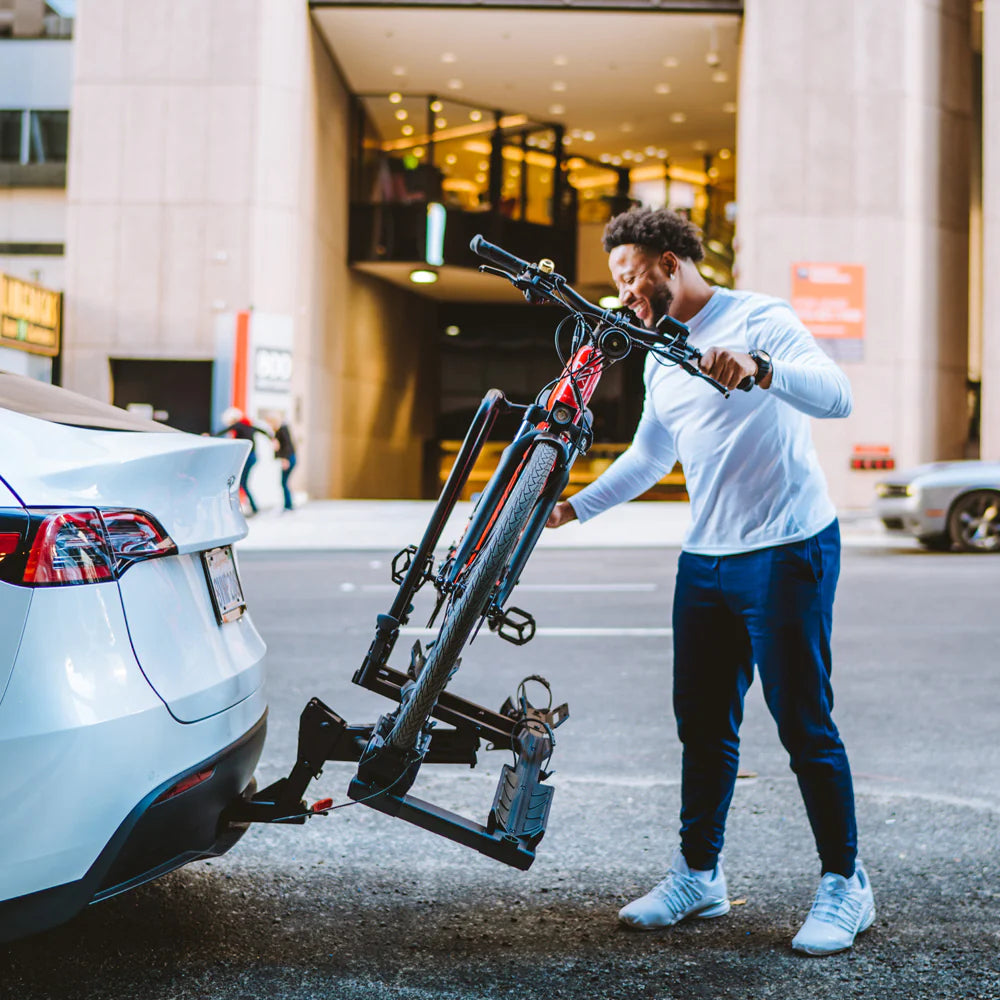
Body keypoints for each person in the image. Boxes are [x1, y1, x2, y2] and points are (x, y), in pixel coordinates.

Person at [545, 207, 873, 957]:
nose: (625, 296)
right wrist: (572, 508)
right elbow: (649, 458)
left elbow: (836, 394)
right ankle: (700, 875)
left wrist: (762, 368)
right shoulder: (662, 355)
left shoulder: (761, 317)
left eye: (631, 279)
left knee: (802, 723)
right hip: (707, 559)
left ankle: (847, 885)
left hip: (788, 548)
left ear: (668, 263)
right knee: (702, 724)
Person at [216, 406, 272, 516]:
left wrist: (210, 435)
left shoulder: (239, 425)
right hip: (252, 457)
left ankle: (252, 508)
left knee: (241, 483)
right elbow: (263, 431)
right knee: (242, 483)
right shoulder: (248, 425)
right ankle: (252, 507)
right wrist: (272, 438)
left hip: (248, 457)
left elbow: (223, 431)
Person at [266, 411, 297, 512]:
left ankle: (289, 505)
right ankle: (288, 504)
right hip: (288, 458)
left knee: (284, 482)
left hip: (289, 458)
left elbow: (287, 445)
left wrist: (285, 459)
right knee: (284, 482)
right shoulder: (278, 430)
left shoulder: (283, 429)